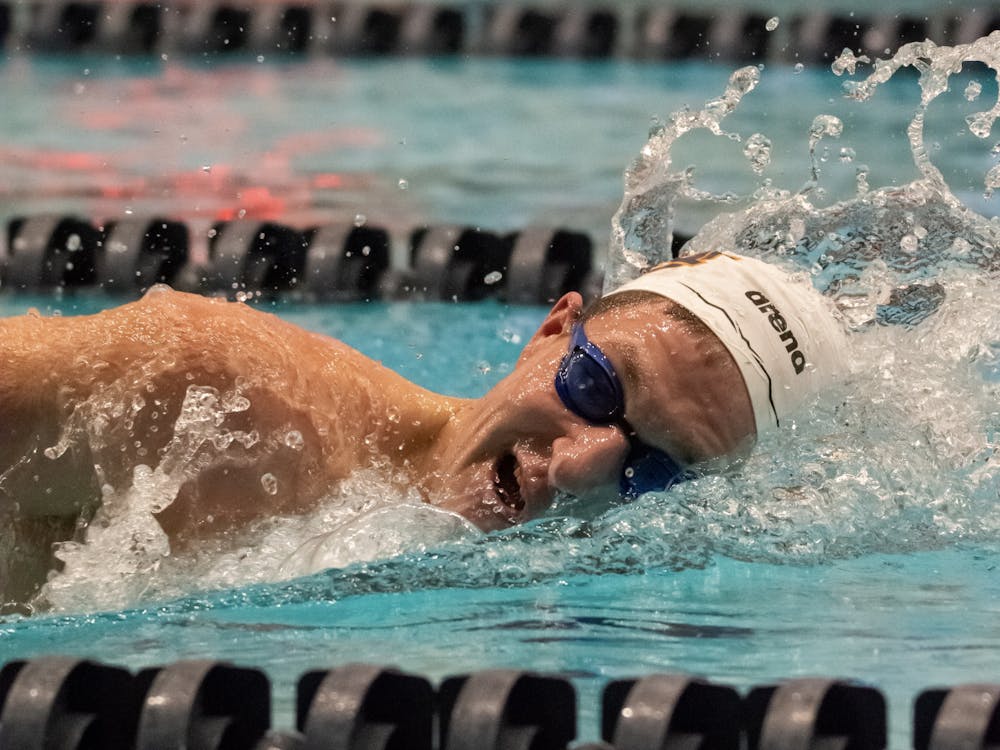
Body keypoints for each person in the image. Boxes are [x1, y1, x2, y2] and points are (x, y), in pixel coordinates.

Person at [0, 250, 845, 602]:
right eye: (594, 387)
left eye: (654, 469)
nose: (584, 465)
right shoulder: (218, 395)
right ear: (552, 329)